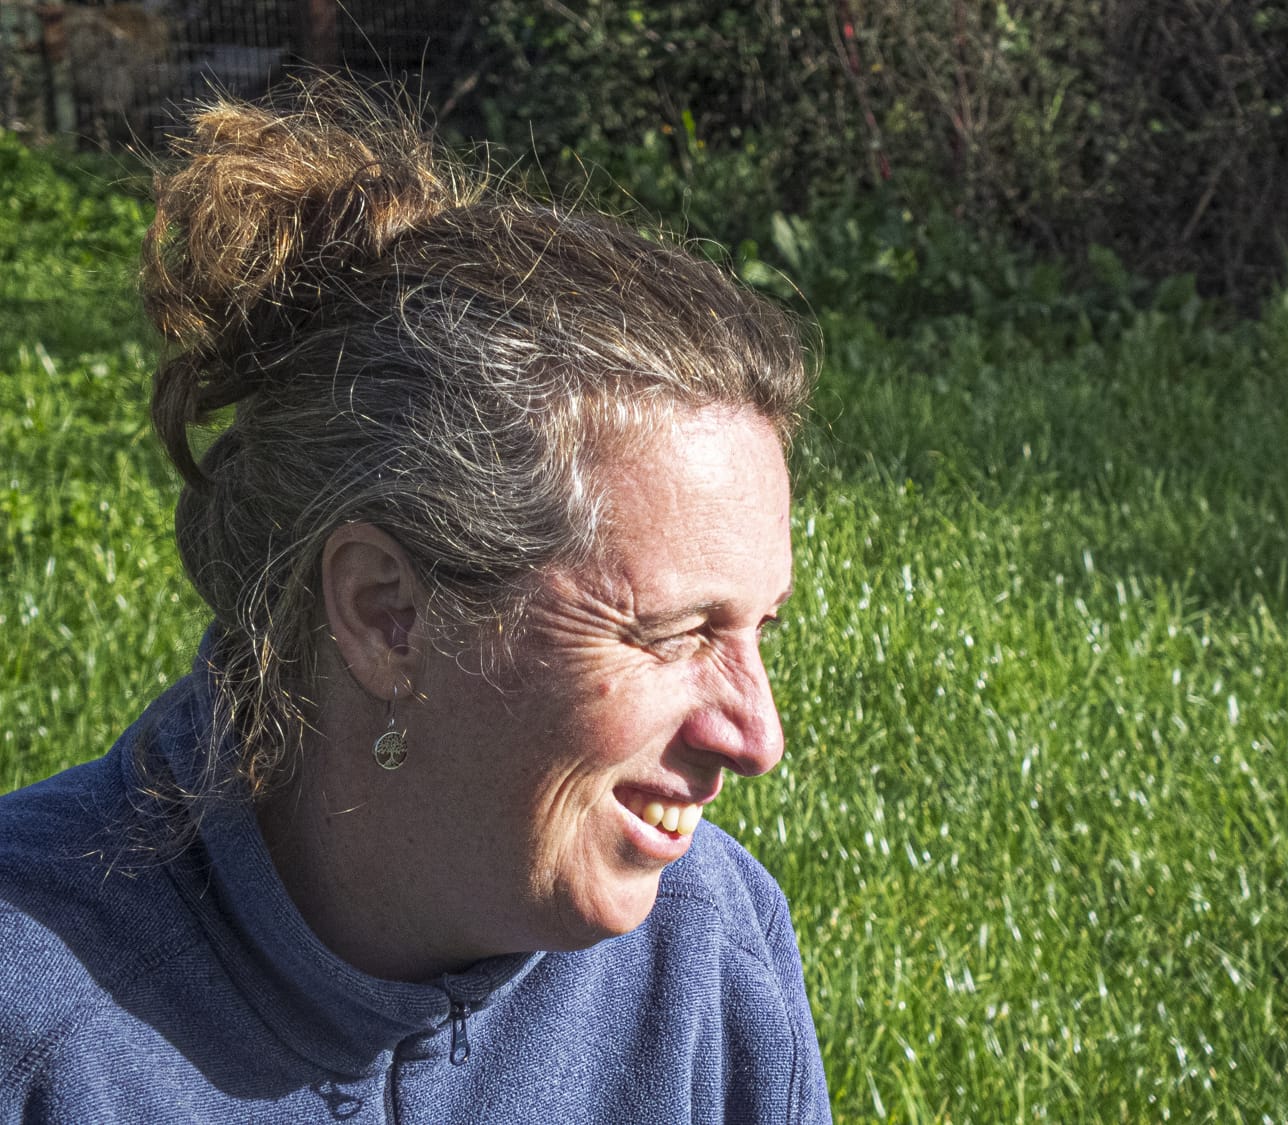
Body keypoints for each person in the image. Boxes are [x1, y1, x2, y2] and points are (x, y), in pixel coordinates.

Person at [0, 81, 831, 1123]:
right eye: (673, 633)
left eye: (760, 627)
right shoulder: (35, 1026)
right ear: (385, 613)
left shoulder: (710, 952)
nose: (758, 737)